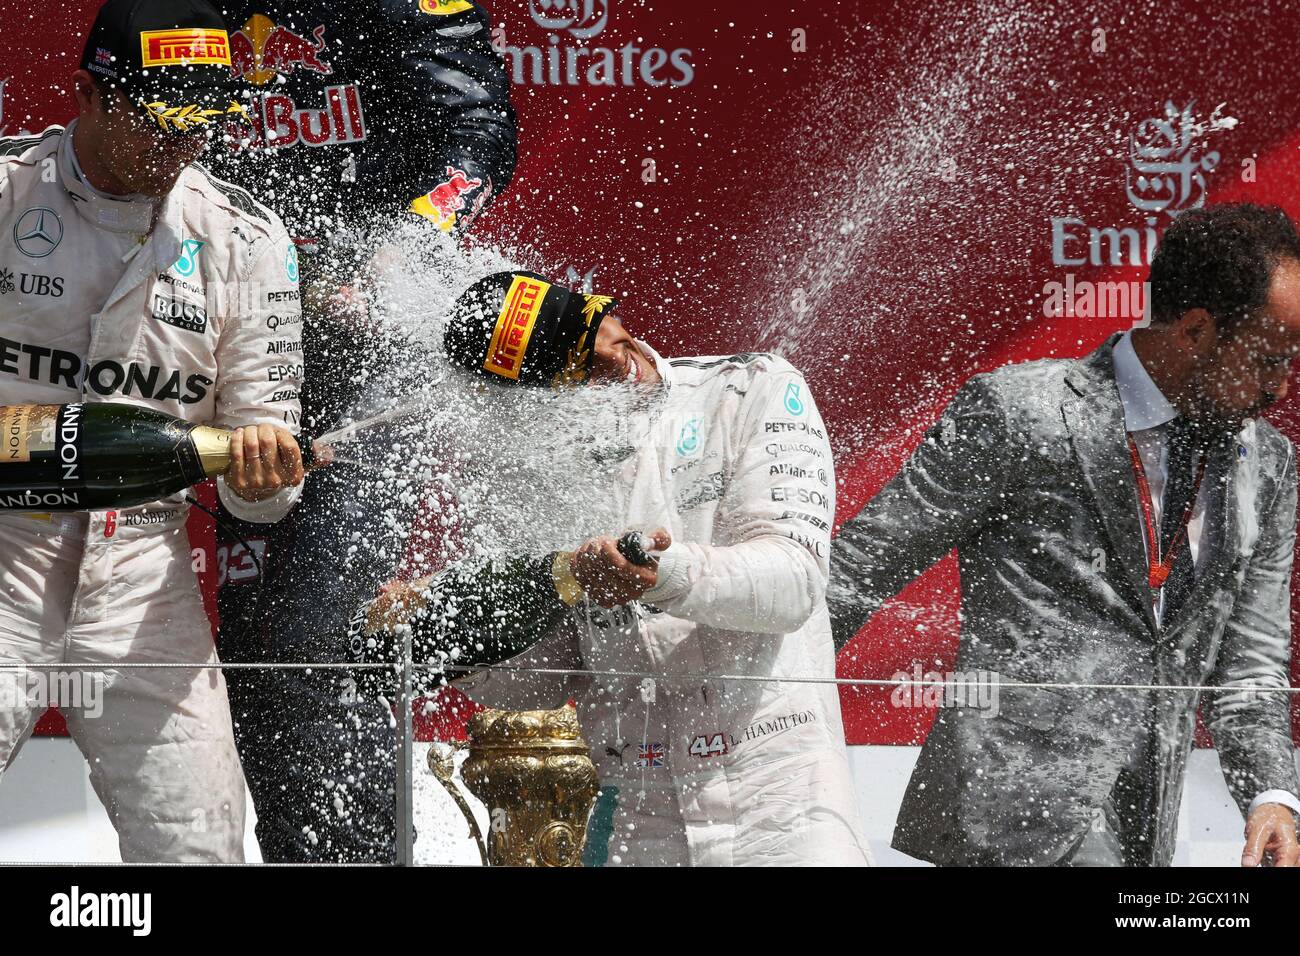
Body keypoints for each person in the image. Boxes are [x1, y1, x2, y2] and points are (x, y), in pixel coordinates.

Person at [828, 202, 1300, 867]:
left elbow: (1251, 662)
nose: (1280, 386)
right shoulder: (1019, 413)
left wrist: (1272, 797)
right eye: (1268, 359)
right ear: (1195, 330)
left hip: (1146, 835)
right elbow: (855, 573)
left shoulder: (1270, 465)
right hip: (1007, 820)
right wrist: (723, 701)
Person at [207, 0, 517, 862]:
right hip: (245, 342)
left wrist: (410, 241)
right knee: (252, 648)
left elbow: (481, 130)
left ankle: (362, 858)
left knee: (323, 630)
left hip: (371, 345)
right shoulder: (188, 8)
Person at [0, 0, 304, 862]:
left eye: (202, 123)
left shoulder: (247, 237)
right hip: (3, 557)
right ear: (86, 95)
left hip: (141, 576)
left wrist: (262, 478)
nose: (181, 148)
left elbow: (268, 493)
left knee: (200, 846)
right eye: (161, 121)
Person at [436, 271, 873, 867]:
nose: (617, 363)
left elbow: (793, 582)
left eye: (602, 331)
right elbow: (544, 680)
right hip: (636, 805)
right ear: (531, 406)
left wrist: (660, 575)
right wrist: (448, 638)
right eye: (578, 372)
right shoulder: (526, 469)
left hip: (779, 790)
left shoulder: (748, 389)